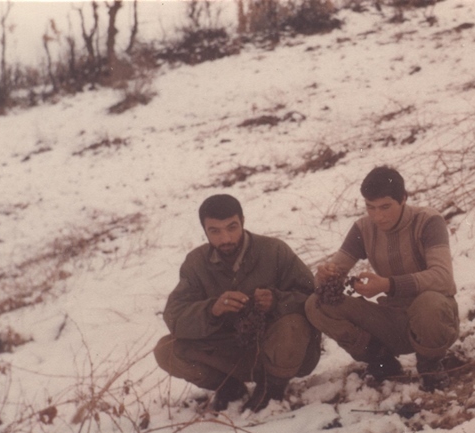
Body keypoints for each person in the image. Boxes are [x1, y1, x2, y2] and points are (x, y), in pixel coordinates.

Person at [154, 194, 320, 412]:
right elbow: (174, 316)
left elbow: (314, 298)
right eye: (215, 231)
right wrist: (212, 310)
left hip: (280, 351)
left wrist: (277, 301)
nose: (226, 238)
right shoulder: (195, 263)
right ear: (204, 230)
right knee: (166, 350)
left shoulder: (274, 251)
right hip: (230, 354)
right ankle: (229, 388)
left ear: (242, 221)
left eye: (232, 227)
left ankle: (273, 388)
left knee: (293, 325)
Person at [305, 166, 459, 391]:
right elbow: (332, 274)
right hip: (392, 320)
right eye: (370, 207)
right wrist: (325, 276)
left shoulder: (428, 221)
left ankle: (430, 364)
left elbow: (443, 278)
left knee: (430, 303)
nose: (378, 216)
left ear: (403, 198)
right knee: (317, 304)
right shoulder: (363, 228)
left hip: (434, 320)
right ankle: (382, 360)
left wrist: (388, 284)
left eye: (386, 207)